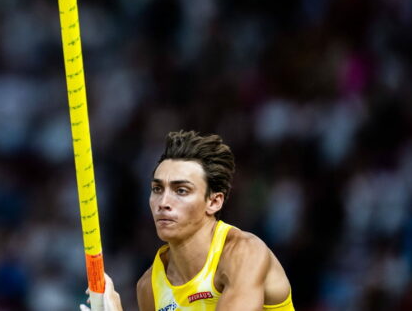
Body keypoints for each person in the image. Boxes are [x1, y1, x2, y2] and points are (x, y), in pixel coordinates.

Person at [84, 130, 294, 311]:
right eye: (157, 189)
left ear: (214, 201)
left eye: (181, 190)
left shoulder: (244, 252)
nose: (163, 202)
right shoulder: (149, 286)